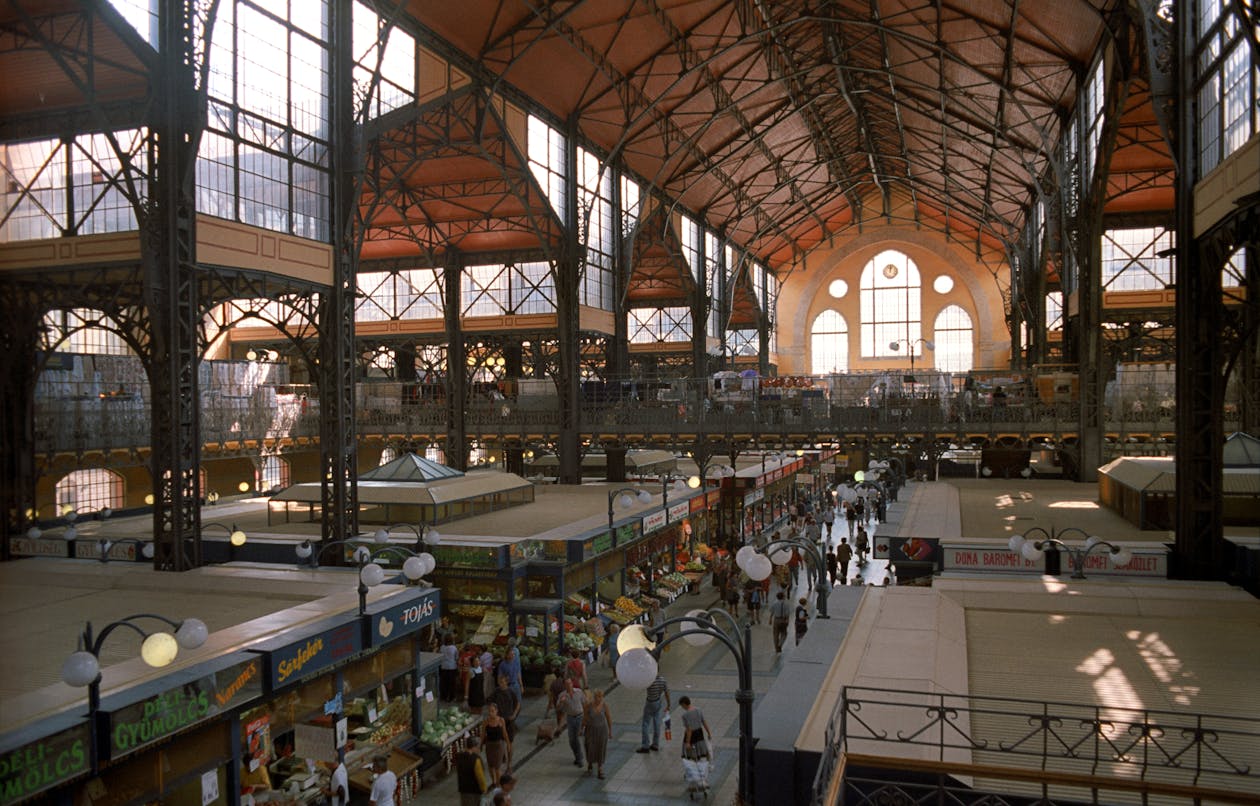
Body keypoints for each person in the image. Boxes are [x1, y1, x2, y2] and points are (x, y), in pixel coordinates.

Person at [555, 678, 586, 767]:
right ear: (564, 685)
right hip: (570, 718)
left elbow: (585, 703)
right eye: (567, 684)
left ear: (572, 683)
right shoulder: (562, 695)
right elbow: (558, 709)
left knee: (578, 738)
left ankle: (580, 759)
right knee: (572, 740)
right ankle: (577, 757)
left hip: (580, 716)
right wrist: (561, 702)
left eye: (570, 683)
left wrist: (586, 718)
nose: (569, 685)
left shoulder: (579, 692)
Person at [583, 688, 613, 779]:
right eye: (597, 697)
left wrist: (610, 731)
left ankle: (600, 769)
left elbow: (608, 718)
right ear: (594, 697)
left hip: (602, 731)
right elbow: (585, 718)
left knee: (601, 748)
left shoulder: (604, 706)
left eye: (600, 697)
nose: (598, 699)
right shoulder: (588, 706)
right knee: (590, 747)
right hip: (590, 730)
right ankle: (590, 763)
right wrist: (581, 728)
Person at [636, 672, 670, 752]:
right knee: (657, 723)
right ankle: (655, 744)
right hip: (658, 702)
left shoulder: (649, 680)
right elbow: (667, 692)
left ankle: (645, 746)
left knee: (645, 724)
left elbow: (641, 685)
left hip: (650, 703)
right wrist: (668, 704)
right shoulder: (662, 680)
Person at [481, 702, 510, 787]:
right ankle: (493, 781)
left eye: (492, 711)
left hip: (499, 746)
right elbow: (483, 735)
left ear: (497, 711)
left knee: (497, 767)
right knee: (490, 766)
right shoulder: (486, 722)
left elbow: (504, 733)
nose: (491, 713)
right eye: (489, 711)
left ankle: (498, 783)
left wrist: (508, 744)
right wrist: (480, 745)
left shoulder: (501, 720)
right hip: (489, 746)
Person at [455, 737, 488, 806]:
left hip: (463, 790)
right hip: (474, 791)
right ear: (474, 747)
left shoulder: (459, 757)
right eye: (478, 747)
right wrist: (484, 789)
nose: (479, 750)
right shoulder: (476, 759)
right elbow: (480, 777)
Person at [439, 635, 459, 702]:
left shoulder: (442, 647)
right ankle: (451, 697)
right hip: (452, 667)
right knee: (452, 683)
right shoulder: (454, 648)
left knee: (444, 683)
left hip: (443, 667)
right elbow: (456, 657)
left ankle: (444, 696)